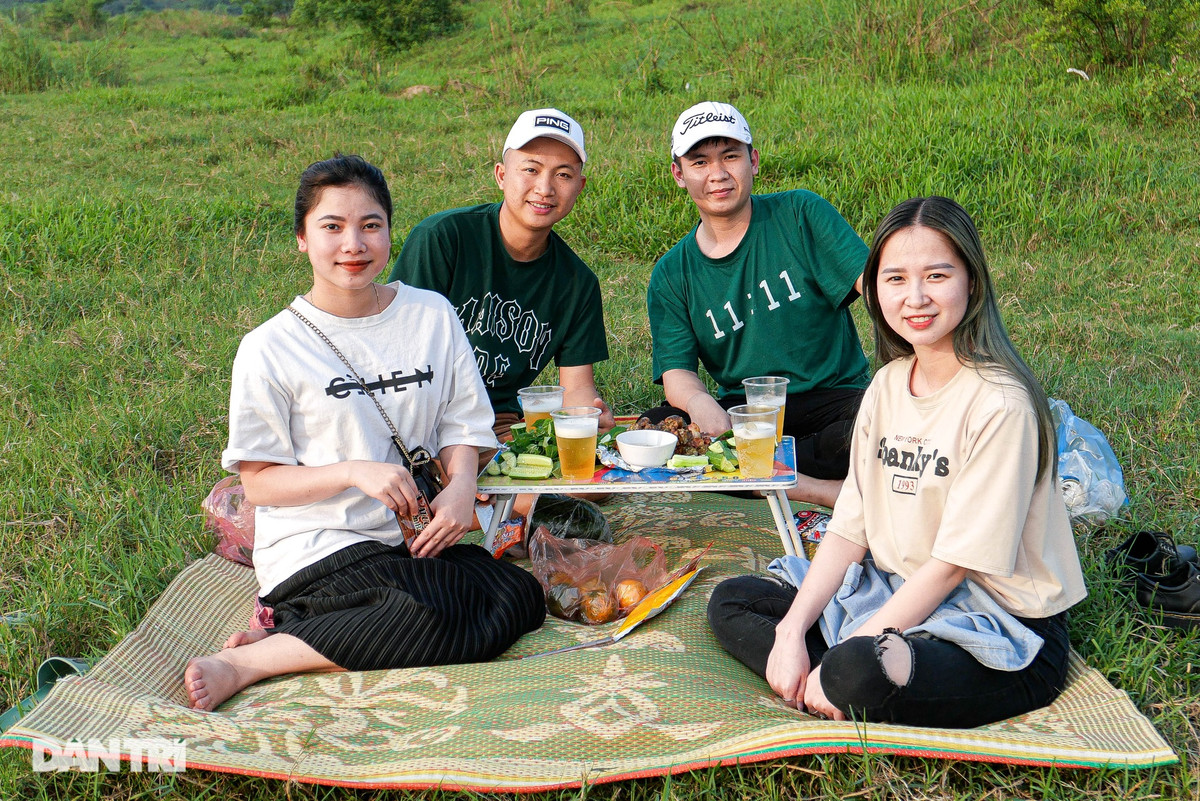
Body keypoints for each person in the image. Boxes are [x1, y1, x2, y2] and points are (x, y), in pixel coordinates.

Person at [706, 196, 1087, 728]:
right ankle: (830, 675)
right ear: (874, 288)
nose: (915, 298)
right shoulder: (887, 385)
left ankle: (840, 678)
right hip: (894, 590)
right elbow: (849, 528)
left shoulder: (1000, 404)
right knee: (733, 602)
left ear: (971, 282)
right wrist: (792, 632)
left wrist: (842, 656)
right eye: (895, 279)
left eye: (936, 275)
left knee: (857, 671)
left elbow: (954, 565)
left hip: (1000, 622)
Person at [185, 155, 545, 712]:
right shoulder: (269, 347)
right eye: (332, 227)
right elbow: (259, 484)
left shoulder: (431, 314)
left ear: (388, 233)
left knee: (520, 596)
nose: (353, 243)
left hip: (404, 540)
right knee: (424, 613)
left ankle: (298, 632)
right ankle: (246, 662)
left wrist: (458, 487)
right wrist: (355, 472)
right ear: (302, 239)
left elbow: (463, 421)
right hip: (318, 544)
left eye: (370, 225)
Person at [646, 101, 872, 508]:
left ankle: (752, 473)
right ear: (679, 174)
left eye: (730, 156)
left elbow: (875, 289)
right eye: (699, 162)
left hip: (833, 399)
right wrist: (703, 407)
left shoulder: (801, 213)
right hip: (745, 412)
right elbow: (677, 373)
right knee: (659, 429)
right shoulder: (671, 273)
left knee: (882, 424)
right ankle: (820, 488)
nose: (717, 174)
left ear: (753, 160)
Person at [388, 107, 613, 444]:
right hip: (419, 415)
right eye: (530, 169)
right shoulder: (443, 238)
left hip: (498, 424)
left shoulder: (577, 283)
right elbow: (396, 351)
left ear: (579, 186)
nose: (545, 188)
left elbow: (577, 389)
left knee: (584, 482)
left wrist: (588, 416)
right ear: (501, 175)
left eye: (563, 175)